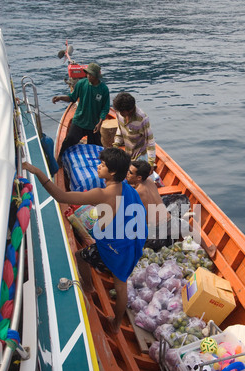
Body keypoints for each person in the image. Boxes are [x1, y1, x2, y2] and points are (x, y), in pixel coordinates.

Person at [23, 148, 147, 334]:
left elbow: (60, 196)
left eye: (103, 165)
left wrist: (38, 172)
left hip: (115, 249)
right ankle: (116, 324)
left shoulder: (102, 194)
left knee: (80, 257)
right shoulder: (127, 188)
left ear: (112, 172)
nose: (99, 166)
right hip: (130, 245)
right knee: (120, 284)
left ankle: (89, 289)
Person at [127, 160, 216, 257]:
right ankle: (209, 250)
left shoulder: (135, 193)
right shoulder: (149, 180)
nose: (127, 173)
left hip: (153, 231)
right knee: (187, 226)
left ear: (139, 177)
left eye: (130, 172)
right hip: (169, 222)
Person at [52, 63, 110, 163]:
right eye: (87, 74)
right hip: (79, 121)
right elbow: (72, 97)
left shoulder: (104, 89)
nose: (88, 76)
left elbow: (105, 108)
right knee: (69, 140)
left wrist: (99, 123)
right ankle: (60, 157)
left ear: (96, 76)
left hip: (93, 124)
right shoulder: (81, 84)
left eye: (91, 75)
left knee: (97, 147)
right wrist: (60, 97)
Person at [112, 92, 156, 168]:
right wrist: (116, 144)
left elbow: (150, 141)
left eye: (121, 112)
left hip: (140, 156)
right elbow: (120, 129)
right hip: (128, 153)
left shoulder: (142, 118)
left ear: (129, 110)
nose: (119, 113)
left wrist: (151, 163)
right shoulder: (119, 113)